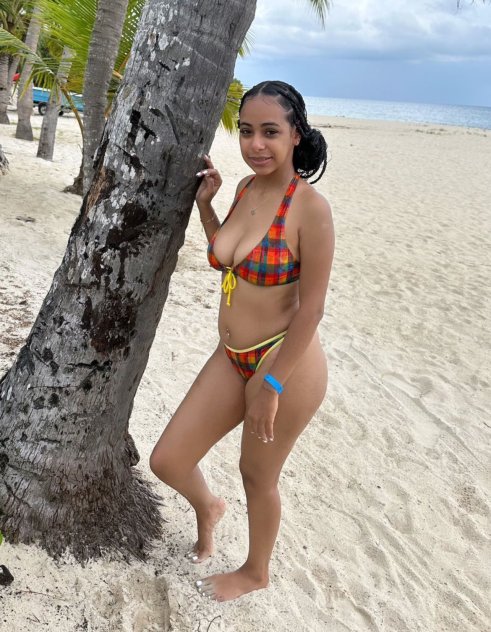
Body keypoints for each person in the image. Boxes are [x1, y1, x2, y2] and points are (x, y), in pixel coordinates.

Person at [150, 80, 335, 602]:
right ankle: (209, 507)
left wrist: (272, 385)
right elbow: (227, 255)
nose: (256, 144)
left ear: (296, 135)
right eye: (248, 131)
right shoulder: (245, 189)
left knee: (257, 475)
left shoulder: (310, 209)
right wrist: (207, 205)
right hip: (232, 356)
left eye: (270, 132)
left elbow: (313, 309)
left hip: (285, 362)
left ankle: (256, 572)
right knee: (168, 460)